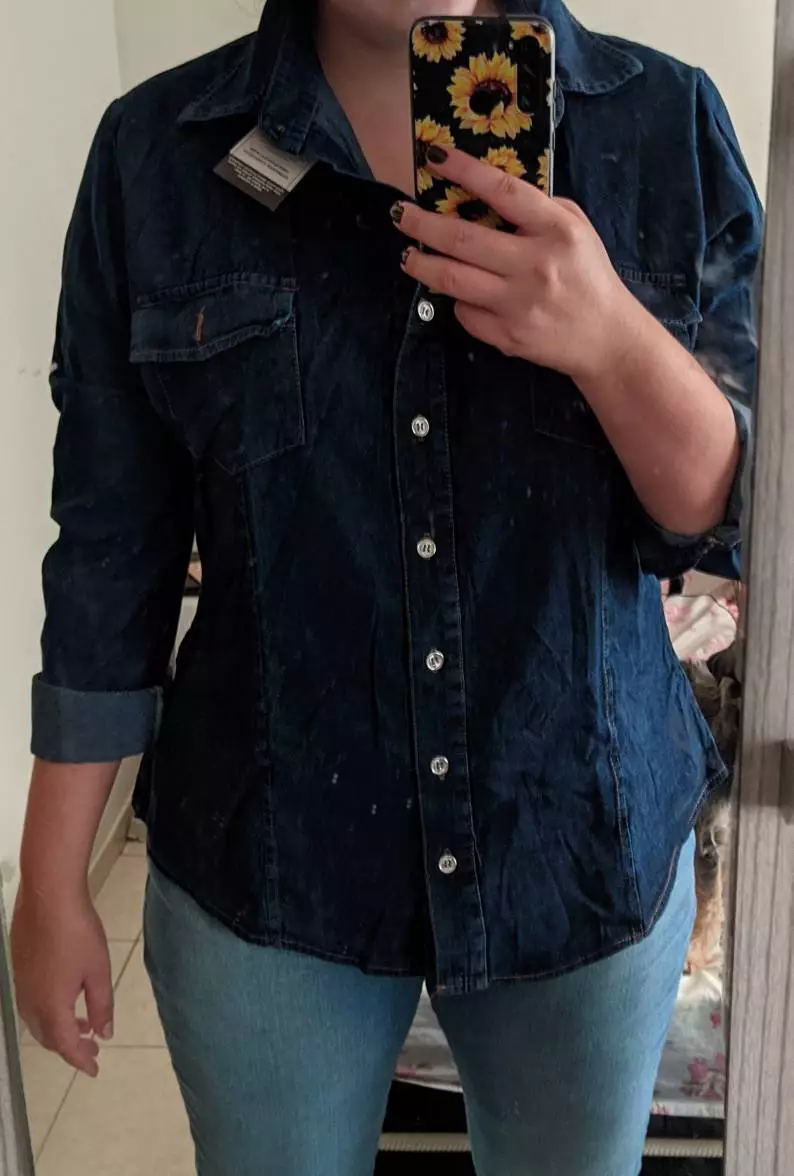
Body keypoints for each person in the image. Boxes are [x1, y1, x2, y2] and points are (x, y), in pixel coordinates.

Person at [12, 1, 761, 1174]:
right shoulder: (157, 155)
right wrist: (52, 878)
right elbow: (112, 546)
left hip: (577, 837)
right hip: (266, 861)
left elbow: (720, 521)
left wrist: (612, 342)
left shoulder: (660, 126)